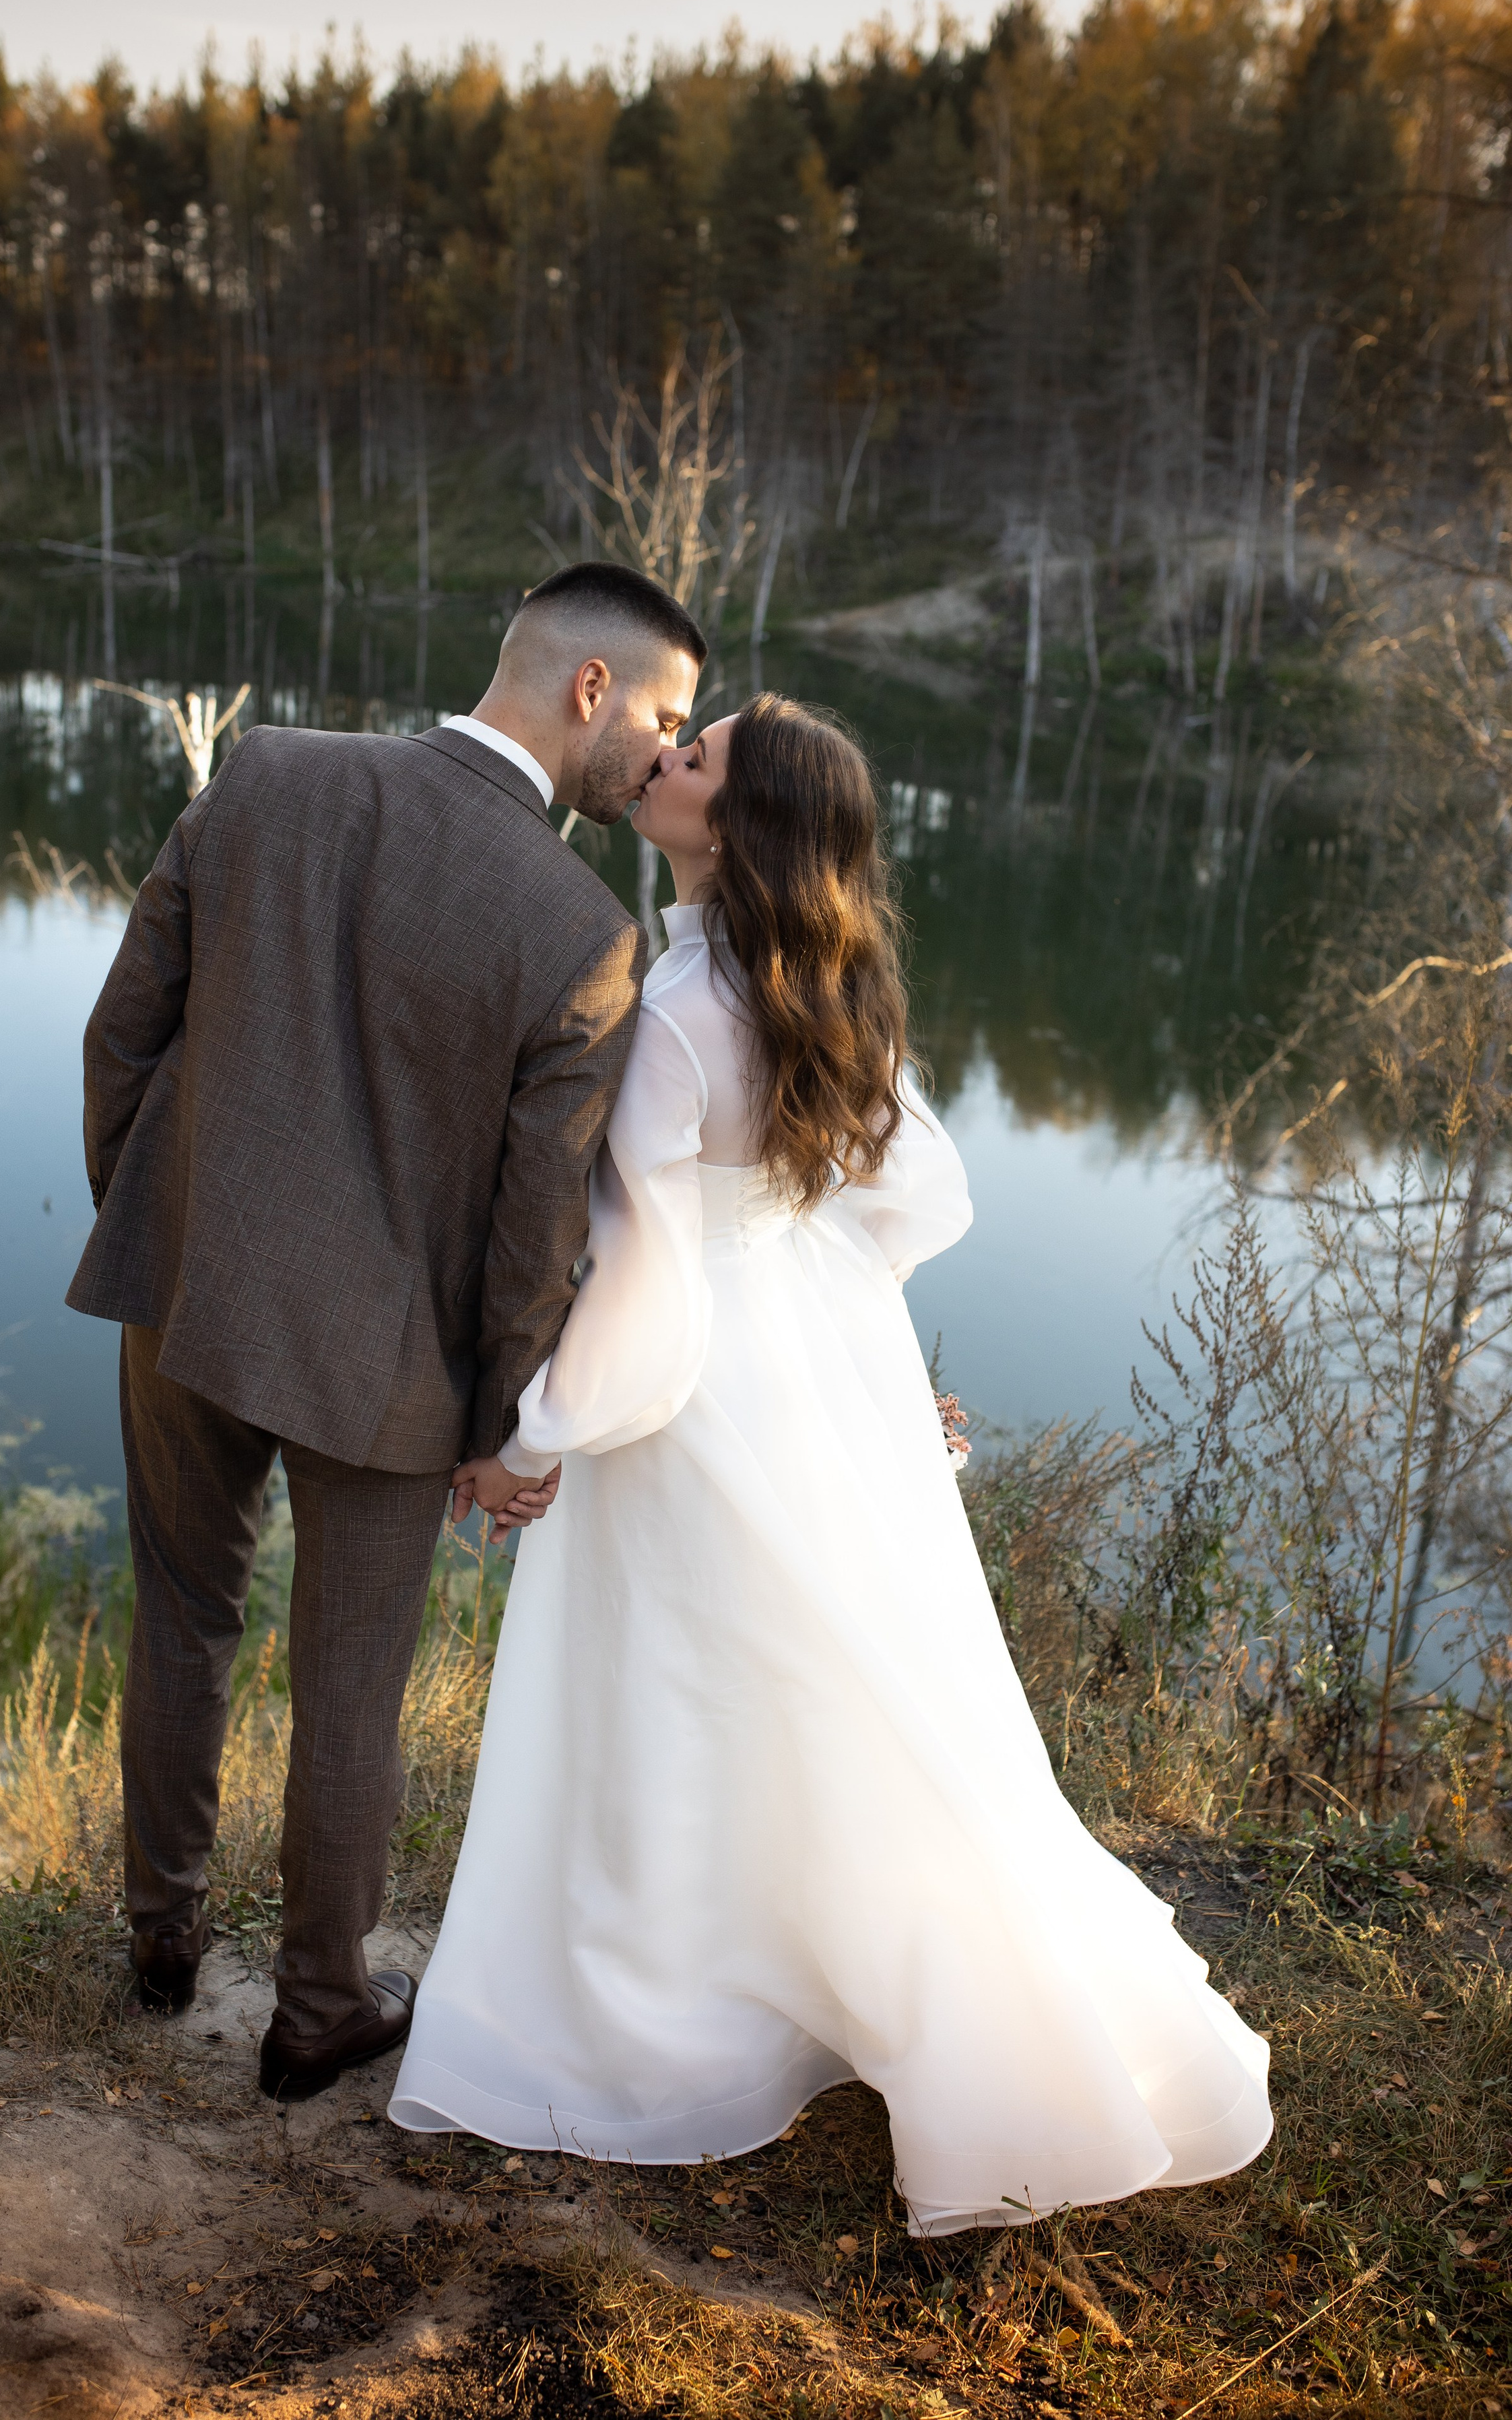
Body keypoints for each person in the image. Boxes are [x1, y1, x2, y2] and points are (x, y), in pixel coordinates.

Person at [389, 694, 1273, 2233]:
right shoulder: (829, 983)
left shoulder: (672, 1016)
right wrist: (836, 1324)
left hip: (706, 1399)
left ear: (735, 829)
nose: (663, 759)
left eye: (697, 756)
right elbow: (917, 1193)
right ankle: (828, 1981)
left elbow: (648, 1296)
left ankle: (677, 2013)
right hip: (818, 1361)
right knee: (825, 1687)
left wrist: (523, 1439)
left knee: (680, 1692)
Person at [66, 562, 702, 2102]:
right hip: (388, 1370)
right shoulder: (580, 927)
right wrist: (503, 1427)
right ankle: (319, 2009)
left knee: (182, 1616)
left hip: (188, 1296)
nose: (669, 753)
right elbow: (532, 1223)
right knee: (349, 1685)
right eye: (668, 715)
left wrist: (164, 1222)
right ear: (590, 690)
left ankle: (161, 1941)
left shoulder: (264, 773)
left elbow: (122, 1030)